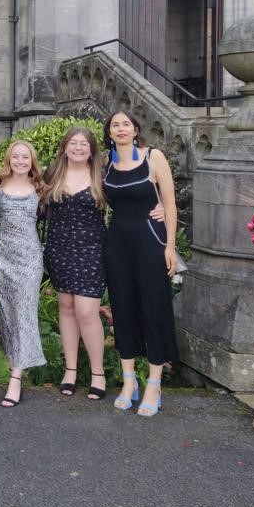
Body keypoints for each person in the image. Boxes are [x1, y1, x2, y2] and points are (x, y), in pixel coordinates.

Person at [103, 110, 179, 417]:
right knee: (124, 309)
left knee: (153, 307)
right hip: (117, 244)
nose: (121, 129)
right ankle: (129, 381)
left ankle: (154, 383)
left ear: (136, 130)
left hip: (151, 241)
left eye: (126, 124)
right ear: (109, 133)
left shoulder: (153, 157)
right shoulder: (106, 163)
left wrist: (170, 245)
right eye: (115, 125)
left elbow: (170, 202)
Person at [41, 126, 109, 401]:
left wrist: (159, 208)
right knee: (66, 308)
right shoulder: (52, 174)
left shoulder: (103, 176)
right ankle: (70, 371)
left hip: (92, 249)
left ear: (92, 150)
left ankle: (97, 373)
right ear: (65, 147)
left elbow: (131, 201)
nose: (78, 147)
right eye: (73, 143)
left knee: (86, 312)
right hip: (59, 249)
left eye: (84, 144)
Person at [0, 140, 47, 407]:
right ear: (9, 159)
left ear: (32, 161)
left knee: (24, 312)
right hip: (2, 256)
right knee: (8, 313)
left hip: (29, 258)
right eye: (16, 157)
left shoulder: (41, 188)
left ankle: (16, 378)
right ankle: (15, 363)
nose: (20, 161)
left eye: (25, 157)